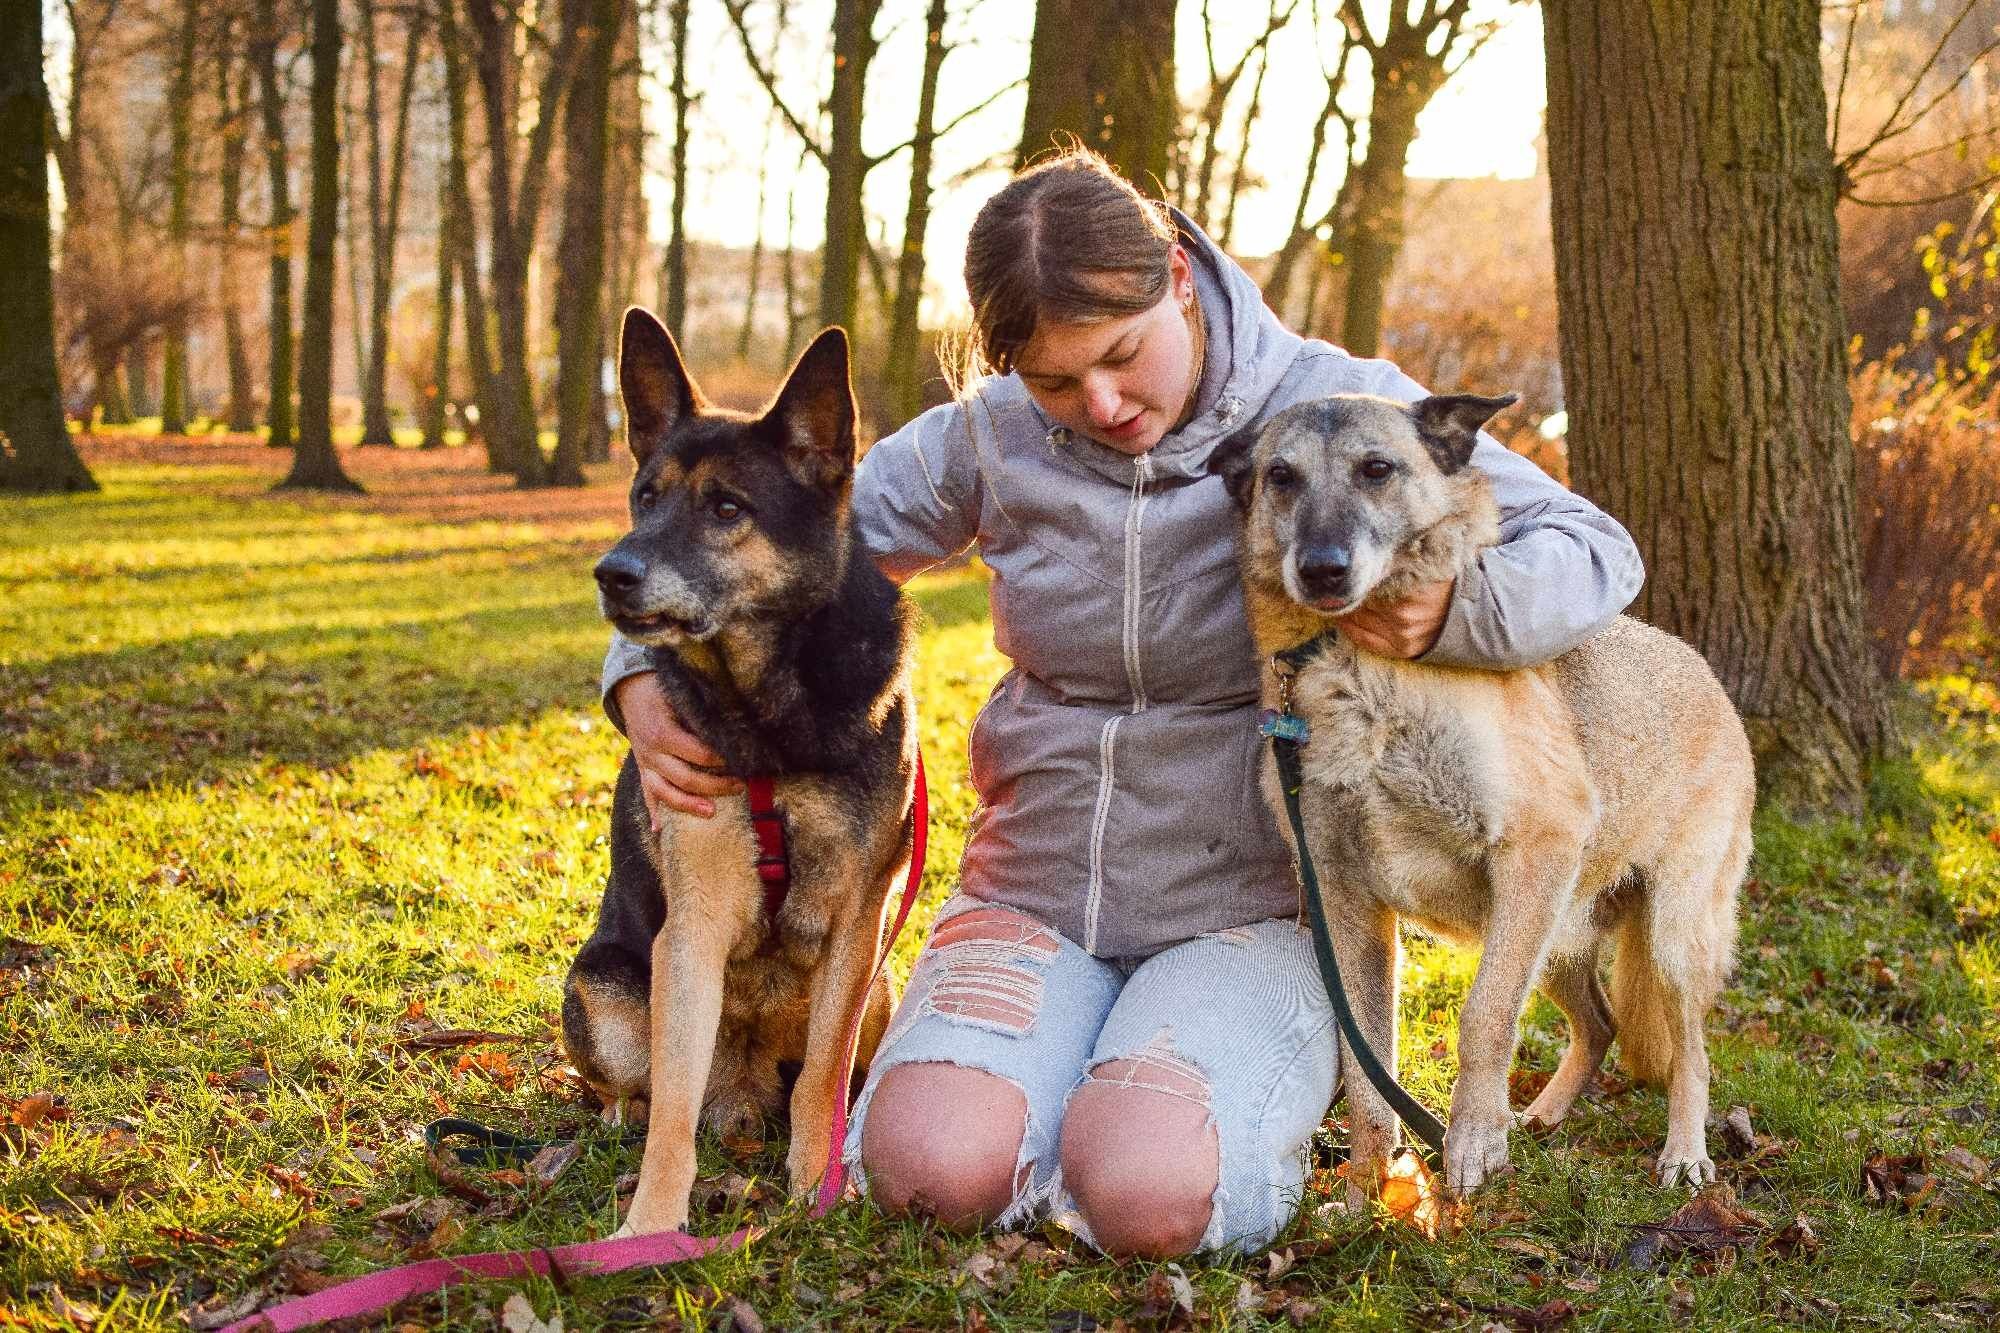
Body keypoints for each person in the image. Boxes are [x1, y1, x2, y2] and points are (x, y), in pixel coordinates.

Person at [598, 149, 1643, 1258]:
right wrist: (633, 682)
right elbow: (779, 529)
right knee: (922, 1171)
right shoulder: (986, 438)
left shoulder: (1337, 410)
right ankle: (1050, 1100)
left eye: (1120, 354)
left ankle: (1131, 1125)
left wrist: (1445, 614)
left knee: (1147, 1191)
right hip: (1032, 893)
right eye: (1054, 382)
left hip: (1247, 904)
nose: (1098, 403)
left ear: (1179, 282)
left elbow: (1594, 552)